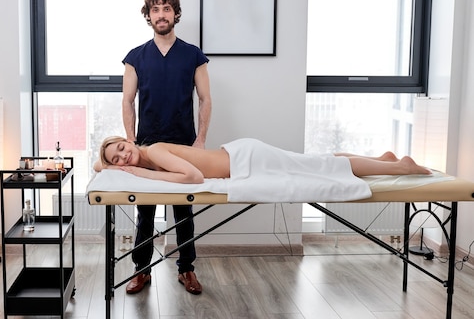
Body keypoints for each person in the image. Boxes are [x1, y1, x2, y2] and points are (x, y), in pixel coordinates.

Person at [120, 0, 212, 295]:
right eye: (156, 10)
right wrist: (132, 141)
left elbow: (205, 99)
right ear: (149, 16)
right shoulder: (135, 57)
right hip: (147, 145)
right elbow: (127, 101)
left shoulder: (193, 55)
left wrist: (200, 140)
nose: (162, 15)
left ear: (175, 14)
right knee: (145, 213)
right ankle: (141, 270)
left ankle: (186, 269)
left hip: (183, 145)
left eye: (166, 9)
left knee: (183, 211)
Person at [95, 136, 432, 184]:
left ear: (129, 140)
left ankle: (400, 167)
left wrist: (140, 172)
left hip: (249, 160)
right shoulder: (147, 159)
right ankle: (382, 159)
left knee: (321, 167)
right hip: (243, 158)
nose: (123, 156)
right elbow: (99, 166)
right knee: (315, 161)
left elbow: (193, 178)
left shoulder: (153, 152)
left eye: (121, 148)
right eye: (117, 160)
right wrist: (108, 165)